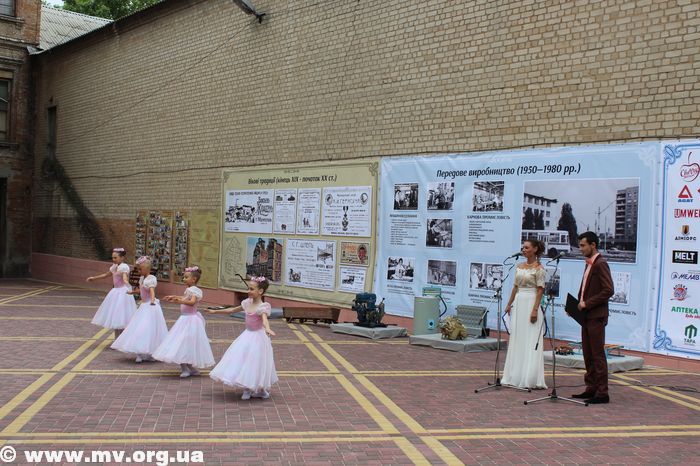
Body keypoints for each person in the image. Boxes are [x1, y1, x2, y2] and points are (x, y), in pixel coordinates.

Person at [208, 276, 278, 400]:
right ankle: (248, 388)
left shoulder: (262, 307)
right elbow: (232, 310)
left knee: (256, 362)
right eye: (248, 288)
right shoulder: (247, 303)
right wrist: (215, 312)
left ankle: (259, 389)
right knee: (243, 360)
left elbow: (264, 320)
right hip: (247, 336)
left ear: (260, 291)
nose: (248, 291)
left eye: (251, 289)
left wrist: (267, 328)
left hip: (258, 338)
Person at [571, 231, 614, 404]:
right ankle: (591, 388)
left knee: (597, 355)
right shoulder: (589, 263)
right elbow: (585, 288)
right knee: (588, 354)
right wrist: (575, 306)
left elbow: (608, 290)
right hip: (587, 315)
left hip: (596, 316)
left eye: (583, 245)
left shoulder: (600, 264)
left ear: (593, 245)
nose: (580, 249)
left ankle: (602, 393)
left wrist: (587, 303)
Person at [152, 266, 215, 378]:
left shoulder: (194, 290)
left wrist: (179, 301)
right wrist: (174, 296)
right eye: (184, 277)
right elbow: (186, 297)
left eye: (186, 277)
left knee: (185, 343)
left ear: (194, 279)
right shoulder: (190, 289)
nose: (184, 279)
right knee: (182, 343)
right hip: (185, 319)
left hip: (190, 320)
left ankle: (187, 368)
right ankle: (188, 368)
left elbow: (192, 302)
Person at [501, 239, 547, 389]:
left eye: (527, 248)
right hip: (519, 303)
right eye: (523, 248)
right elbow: (515, 287)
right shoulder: (519, 266)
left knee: (530, 339)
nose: (523, 250)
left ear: (535, 249)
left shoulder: (539, 269)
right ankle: (515, 375)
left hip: (531, 302)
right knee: (518, 338)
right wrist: (509, 304)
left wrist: (535, 310)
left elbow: (540, 290)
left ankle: (529, 377)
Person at [111, 256, 168, 363]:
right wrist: (133, 292)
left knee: (149, 328)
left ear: (147, 269)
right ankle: (140, 352)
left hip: (150, 306)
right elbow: (142, 290)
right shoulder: (142, 279)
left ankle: (150, 352)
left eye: (140, 269)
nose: (138, 271)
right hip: (144, 306)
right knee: (139, 327)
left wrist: (152, 301)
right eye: (138, 269)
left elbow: (151, 291)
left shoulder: (151, 279)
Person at [87, 247, 137, 340]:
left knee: (121, 315)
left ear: (122, 258)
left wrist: (128, 284)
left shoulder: (124, 267)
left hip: (122, 292)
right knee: (116, 316)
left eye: (115, 258)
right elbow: (106, 275)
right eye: (112, 258)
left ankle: (122, 339)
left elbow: (125, 277)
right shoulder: (114, 267)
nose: (113, 259)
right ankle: (117, 338)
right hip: (115, 292)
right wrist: (94, 278)